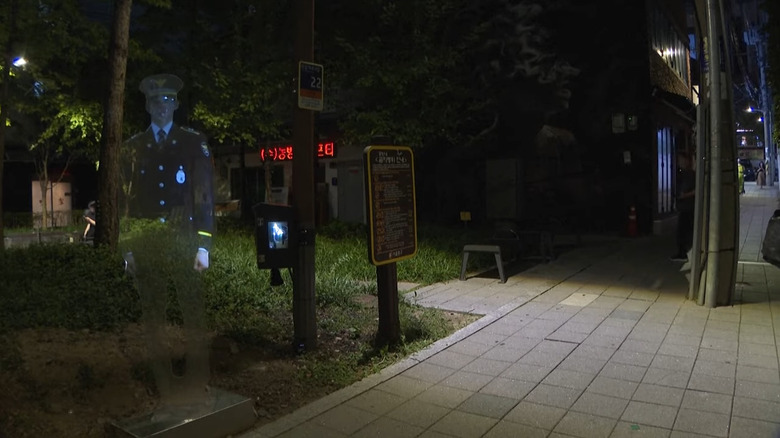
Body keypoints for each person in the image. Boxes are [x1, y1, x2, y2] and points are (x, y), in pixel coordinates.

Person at [122, 74, 215, 417]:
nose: (161, 107)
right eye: (155, 101)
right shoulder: (133, 147)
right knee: (153, 318)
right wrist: (127, 250)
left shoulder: (193, 143)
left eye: (167, 101)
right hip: (147, 248)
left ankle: (197, 379)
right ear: (147, 106)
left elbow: (203, 197)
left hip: (184, 245)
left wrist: (203, 246)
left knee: (193, 314)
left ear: (175, 104)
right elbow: (125, 201)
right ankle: (163, 384)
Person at [671, 152, 695, 262]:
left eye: (681, 160)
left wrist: (684, 195)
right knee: (683, 230)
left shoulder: (690, 174)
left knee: (683, 231)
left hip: (688, 207)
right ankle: (683, 252)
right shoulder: (682, 173)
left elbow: (696, 190)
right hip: (685, 206)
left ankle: (683, 253)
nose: (679, 162)